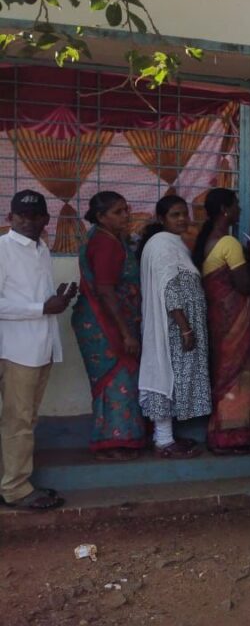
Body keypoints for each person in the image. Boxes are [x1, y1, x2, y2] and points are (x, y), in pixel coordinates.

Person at [0, 191, 75, 510]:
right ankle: (15, 488)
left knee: (25, 419)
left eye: (35, 216)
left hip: (40, 346)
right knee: (19, 420)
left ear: (47, 219)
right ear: (10, 218)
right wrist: (41, 307)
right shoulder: (3, 250)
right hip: (17, 349)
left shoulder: (42, 248)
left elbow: (36, 299)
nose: (28, 222)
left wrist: (55, 300)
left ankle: (14, 480)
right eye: (22, 216)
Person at [72, 191, 148, 460]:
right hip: (103, 322)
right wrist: (126, 333)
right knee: (118, 378)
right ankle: (113, 443)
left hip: (107, 319)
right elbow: (105, 291)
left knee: (118, 378)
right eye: (118, 212)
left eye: (126, 209)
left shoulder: (109, 238)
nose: (125, 216)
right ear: (101, 217)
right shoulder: (105, 243)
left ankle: (119, 439)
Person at [138, 195, 210, 459]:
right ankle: (164, 440)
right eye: (175, 215)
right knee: (169, 376)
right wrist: (185, 328)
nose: (182, 219)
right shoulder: (163, 246)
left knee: (174, 377)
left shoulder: (172, 243)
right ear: (161, 219)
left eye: (184, 214)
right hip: (173, 326)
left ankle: (165, 437)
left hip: (178, 324)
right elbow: (170, 290)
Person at [195, 188, 250, 454]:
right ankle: (237, 435)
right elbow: (245, 285)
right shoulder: (229, 244)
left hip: (220, 321)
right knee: (240, 374)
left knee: (225, 372)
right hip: (236, 320)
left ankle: (223, 433)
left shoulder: (207, 242)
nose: (240, 210)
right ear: (225, 209)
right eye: (236, 205)